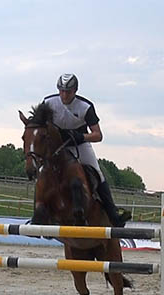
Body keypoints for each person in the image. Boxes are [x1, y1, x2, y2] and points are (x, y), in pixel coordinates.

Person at [43, 73, 130, 227]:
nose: (64, 95)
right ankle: (40, 214)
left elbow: (98, 135)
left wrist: (81, 137)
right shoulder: (48, 102)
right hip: (57, 146)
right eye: (61, 91)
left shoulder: (85, 107)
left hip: (79, 145)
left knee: (98, 173)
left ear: (75, 90)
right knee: (43, 171)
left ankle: (113, 214)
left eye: (68, 92)